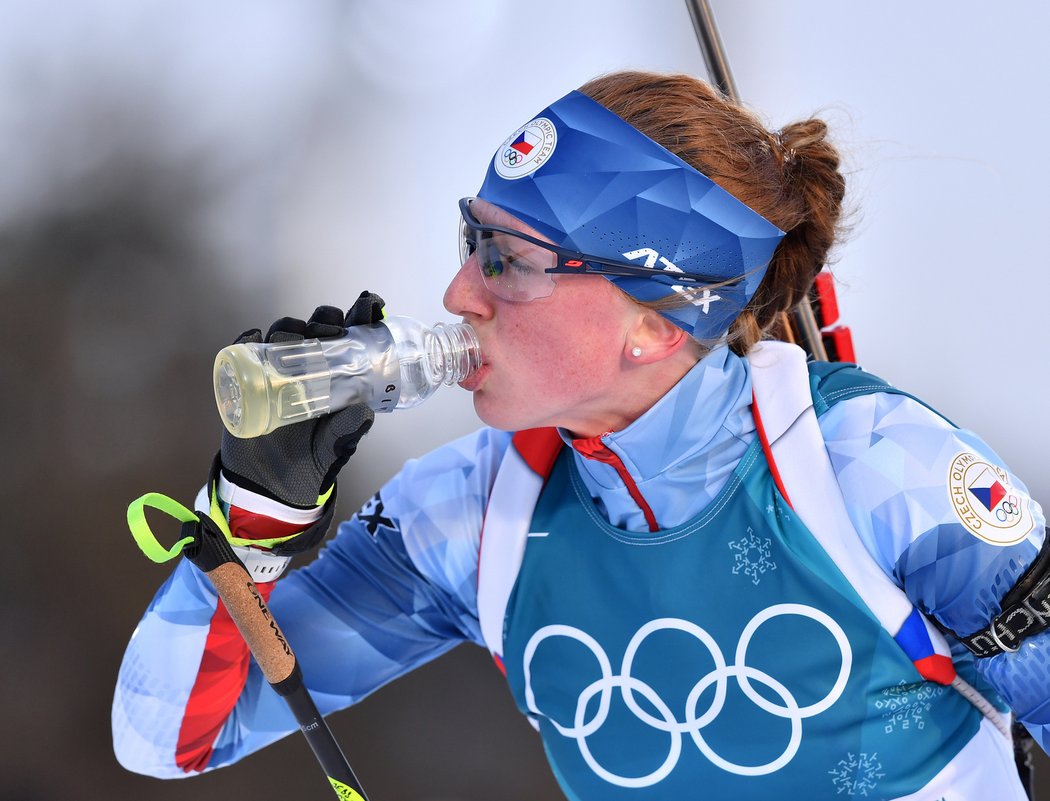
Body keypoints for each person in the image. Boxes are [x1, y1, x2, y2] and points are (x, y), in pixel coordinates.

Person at [113, 71, 1048, 800]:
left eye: (507, 261)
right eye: (469, 238)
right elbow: (168, 736)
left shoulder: (868, 467)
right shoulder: (476, 516)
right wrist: (253, 519)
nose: (457, 295)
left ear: (656, 317)